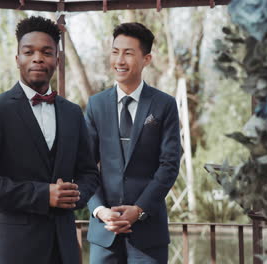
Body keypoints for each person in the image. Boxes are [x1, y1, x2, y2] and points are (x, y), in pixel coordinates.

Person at [0, 16, 99, 264]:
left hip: (64, 248)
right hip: (16, 250)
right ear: (17, 59)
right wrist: (42, 194)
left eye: (47, 52)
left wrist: (73, 195)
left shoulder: (72, 112)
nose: (38, 58)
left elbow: (89, 173)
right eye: (29, 52)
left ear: (57, 60)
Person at [85, 22, 181, 264]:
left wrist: (138, 211)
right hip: (104, 233)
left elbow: (169, 165)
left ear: (146, 58)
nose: (119, 60)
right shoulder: (96, 105)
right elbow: (84, 165)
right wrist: (99, 210)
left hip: (148, 234)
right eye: (115, 52)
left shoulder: (164, 105)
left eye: (128, 53)